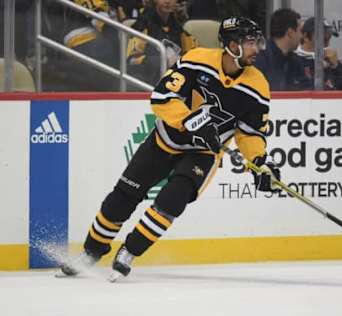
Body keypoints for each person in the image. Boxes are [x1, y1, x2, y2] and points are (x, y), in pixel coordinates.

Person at [58, 16, 281, 281]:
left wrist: (259, 162)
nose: (258, 48)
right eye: (250, 42)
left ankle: (129, 251)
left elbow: (250, 133)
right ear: (233, 45)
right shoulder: (197, 59)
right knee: (124, 195)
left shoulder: (258, 85)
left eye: (257, 42)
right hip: (166, 139)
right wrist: (191, 121)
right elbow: (162, 97)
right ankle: (91, 252)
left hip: (204, 152)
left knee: (172, 200)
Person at [127, 0, 197, 84]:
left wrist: (181, 60)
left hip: (174, 79)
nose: (167, 1)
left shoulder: (177, 25)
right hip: (147, 78)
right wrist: (163, 61)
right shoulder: (142, 24)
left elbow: (193, 52)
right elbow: (132, 59)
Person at [294, 17, 342, 90]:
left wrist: (336, 66)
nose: (327, 44)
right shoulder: (294, 60)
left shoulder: (328, 59)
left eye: (329, 38)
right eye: (323, 39)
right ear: (306, 37)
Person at [254, 8, 309, 91]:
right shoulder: (259, 60)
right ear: (290, 33)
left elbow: (307, 87)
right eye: (300, 31)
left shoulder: (295, 61)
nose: (302, 36)